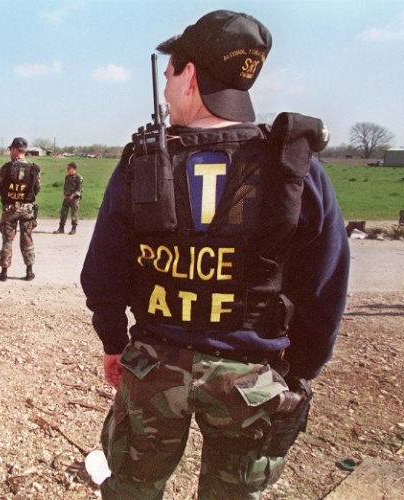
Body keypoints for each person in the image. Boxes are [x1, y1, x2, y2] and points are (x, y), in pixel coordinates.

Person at [80, 10, 349, 499]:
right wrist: (300, 370)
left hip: (152, 367)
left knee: (132, 489)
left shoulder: (141, 161)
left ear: (190, 76)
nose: (165, 89)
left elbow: (102, 271)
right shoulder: (295, 168)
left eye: (170, 74)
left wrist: (113, 341)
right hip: (252, 375)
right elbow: (324, 286)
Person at [0, 137, 41, 281]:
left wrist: (8, 196)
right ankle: (29, 271)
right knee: (27, 240)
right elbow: (37, 189)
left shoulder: (6, 168)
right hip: (27, 209)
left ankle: (4, 272)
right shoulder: (34, 169)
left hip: (10, 209)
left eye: (10, 150)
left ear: (14, 150)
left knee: (7, 239)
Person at [53, 161, 84, 235]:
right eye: (67, 168)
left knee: (74, 214)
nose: (67, 169)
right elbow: (65, 186)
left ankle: (73, 228)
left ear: (73, 169)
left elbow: (79, 189)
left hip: (74, 199)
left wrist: (72, 195)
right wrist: (64, 194)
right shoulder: (67, 177)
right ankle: (61, 228)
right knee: (63, 213)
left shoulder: (79, 177)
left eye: (69, 168)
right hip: (67, 198)